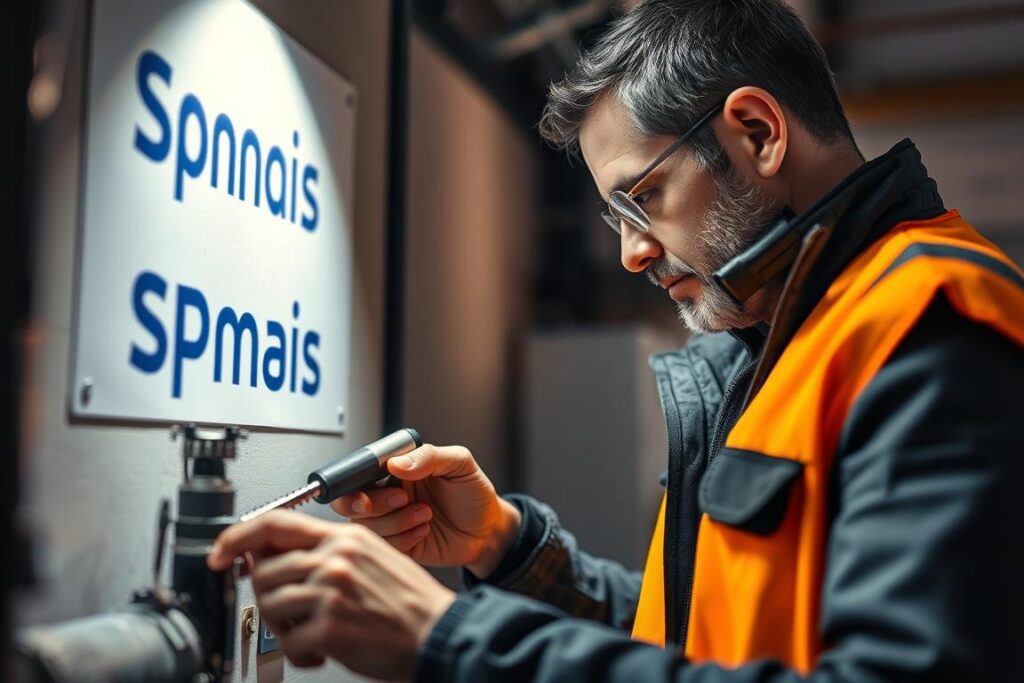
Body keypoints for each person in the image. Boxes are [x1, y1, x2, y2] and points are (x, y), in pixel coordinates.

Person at [207, 1, 1024, 680]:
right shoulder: (774, 342)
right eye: (617, 218)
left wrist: (452, 641)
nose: (632, 251)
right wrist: (507, 544)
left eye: (646, 198)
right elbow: (694, 632)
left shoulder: (936, 324)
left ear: (758, 133)